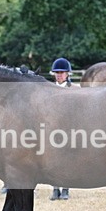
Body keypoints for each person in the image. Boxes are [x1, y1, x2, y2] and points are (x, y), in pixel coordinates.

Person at [49, 57, 73, 201]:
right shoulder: (48, 89)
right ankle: (55, 188)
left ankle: (65, 189)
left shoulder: (74, 89)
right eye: (57, 72)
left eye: (62, 72)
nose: (59, 75)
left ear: (67, 74)